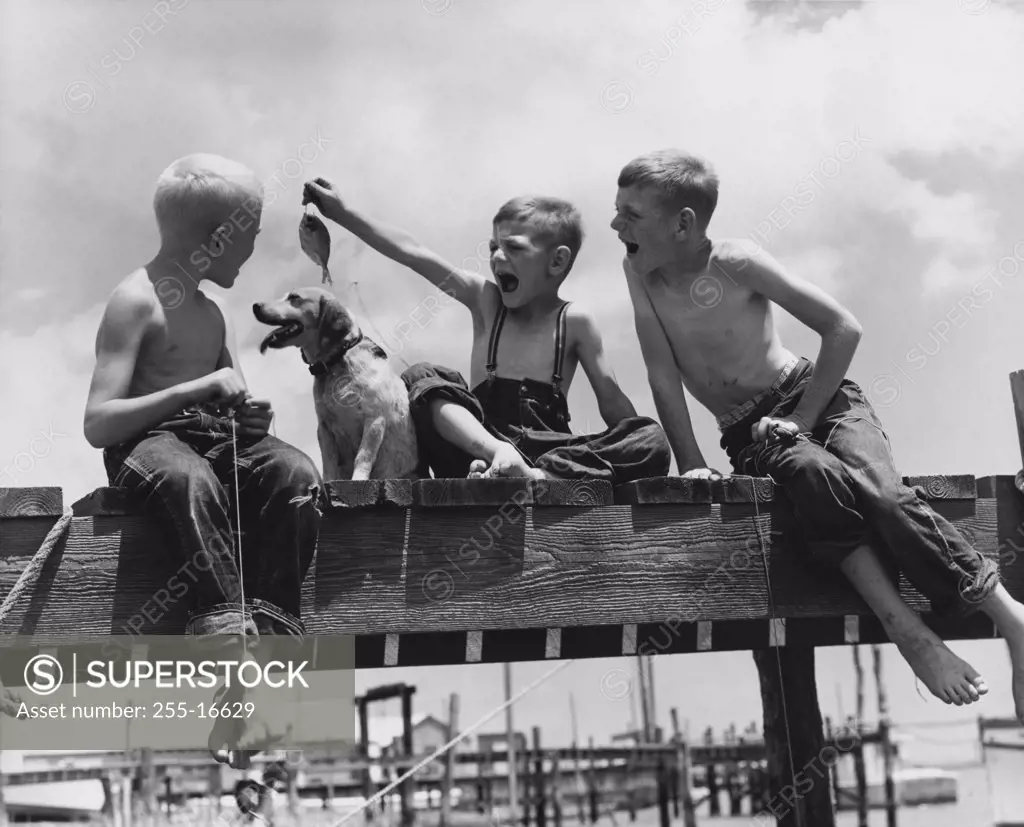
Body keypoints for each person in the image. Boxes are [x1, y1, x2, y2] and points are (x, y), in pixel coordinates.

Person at [613, 148, 1024, 722]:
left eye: (631, 215)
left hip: (818, 399)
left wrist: (803, 419)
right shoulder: (640, 273)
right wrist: (690, 460)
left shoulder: (737, 261)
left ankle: (1010, 617)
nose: (616, 225)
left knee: (877, 487)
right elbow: (661, 370)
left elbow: (842, 328)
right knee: (813, 476)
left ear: (683, 223)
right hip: (749, 430)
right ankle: (910, 635)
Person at [83, 153, 325, 766]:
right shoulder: (135, 301)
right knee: (187, 478)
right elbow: (98, 423)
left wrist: (253, 422)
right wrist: (194, 389)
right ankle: (229, 661)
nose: (250, 253)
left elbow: (236, 399)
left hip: (217, 441)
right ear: (219, 239)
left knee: (294, 472)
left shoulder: (214, 313)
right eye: (248, 239)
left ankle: (272, 653)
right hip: (150, 447)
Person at [301, 178, 671, 483]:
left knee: (650, 438)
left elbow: (612, 402)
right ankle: (499, 458)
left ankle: (537, 476)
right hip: (474, 447)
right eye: (493, 246)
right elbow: (413, 252)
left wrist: (636, 440)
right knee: (420, 377)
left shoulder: (574, 322)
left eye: (512, 248)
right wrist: (342, 213)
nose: (495, 257)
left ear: (557, 260)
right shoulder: (485, 302)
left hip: (550, 451)